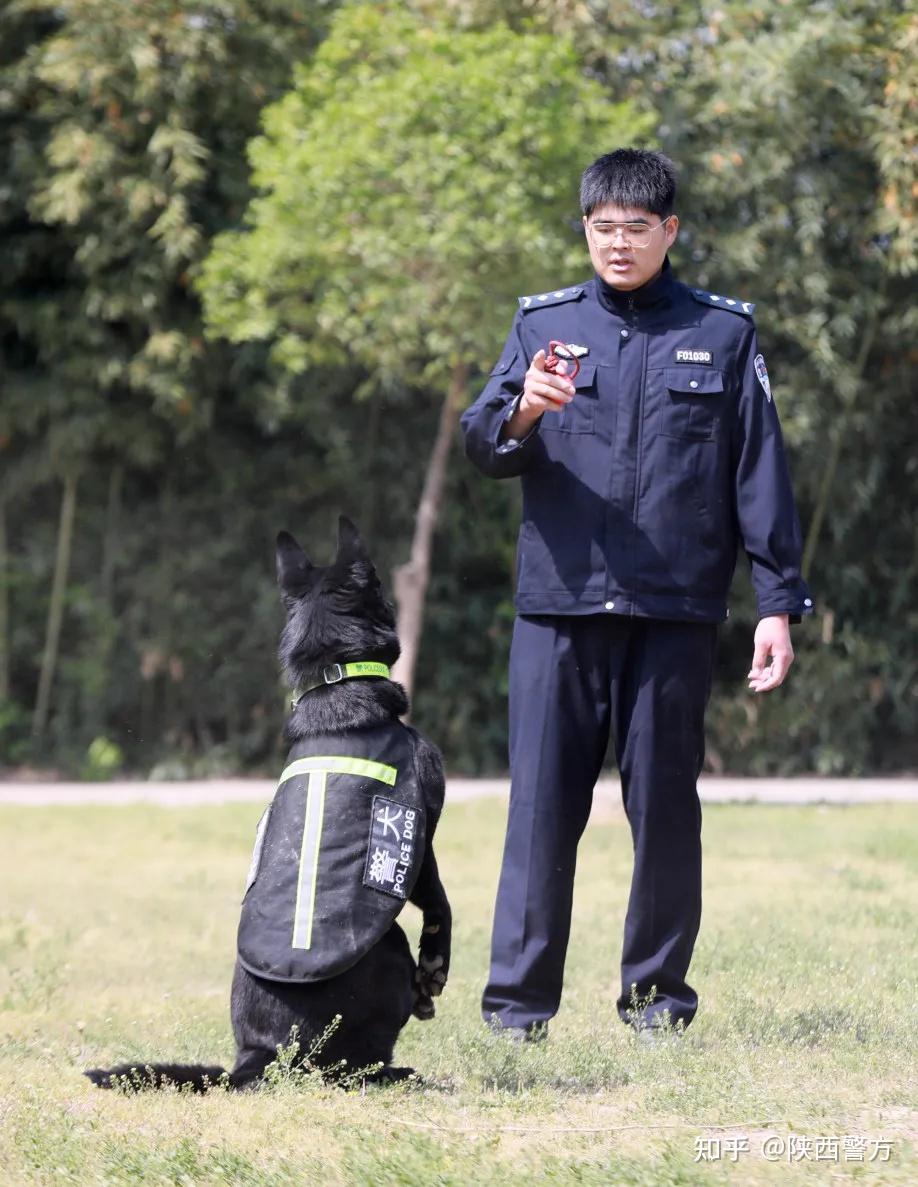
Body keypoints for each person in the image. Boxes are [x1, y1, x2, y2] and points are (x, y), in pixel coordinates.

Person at [460, 148, 812, 1043]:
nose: (618, 244)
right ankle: (516, 1012)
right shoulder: (542, 324)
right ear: (585, 228)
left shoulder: (724, 334)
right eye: (602, 227)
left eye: (637, 229)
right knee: (540, 813)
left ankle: (657, 1004)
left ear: (671, 231)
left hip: (673, 612)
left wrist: (777, 601)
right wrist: (528, 408)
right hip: (560, 607)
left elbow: (757, 473)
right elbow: (485, 442)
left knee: (665, 814)